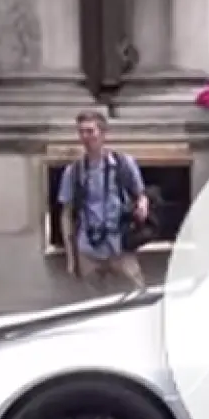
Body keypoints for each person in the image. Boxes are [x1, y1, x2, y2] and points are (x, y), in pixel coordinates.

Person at [58, 111, 149, 291]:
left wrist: (142, 204)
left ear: (103, 133)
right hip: (88, 248)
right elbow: (66, 214)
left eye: (90, 131)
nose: (86, 137)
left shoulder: (123, 163)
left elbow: (141, 194)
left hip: (120, 245)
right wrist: (71, 256)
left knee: (136, 292)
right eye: (81, 132)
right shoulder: (73, 171)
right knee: (96, 301)